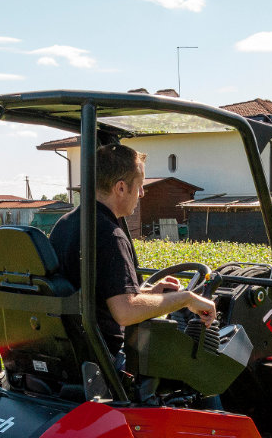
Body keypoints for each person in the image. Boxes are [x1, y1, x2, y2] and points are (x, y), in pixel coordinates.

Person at [50, 143, 216, 357]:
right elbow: (125, 312)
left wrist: (149, 293)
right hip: (106, 358)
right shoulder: (109, 235)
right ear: (120, 188)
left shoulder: (66, 224)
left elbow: (94, 295)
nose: (142, 193)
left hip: (71, 352)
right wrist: (187, 298)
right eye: (139, 186)